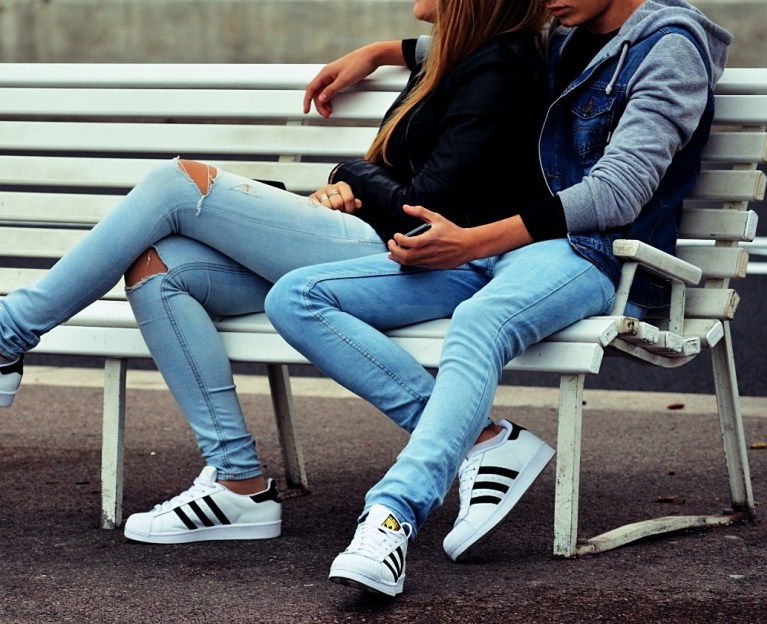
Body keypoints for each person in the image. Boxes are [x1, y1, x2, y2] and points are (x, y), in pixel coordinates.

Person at [0, 0, 551, 546]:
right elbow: (449, 55)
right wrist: (378, 52)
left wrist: (349, 176)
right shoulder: (465, 54)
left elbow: (424, 210)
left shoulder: (501, 67)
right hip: (364, 244)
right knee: (159, 269)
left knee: (176, 184)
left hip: (405, 259)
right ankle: (240, 486)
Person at [265, 0, 730, 598]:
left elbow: (619, 191)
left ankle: (391, 517)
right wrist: (381, 53)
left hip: (597, 258)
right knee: (298, 297)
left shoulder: (669, 48)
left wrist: (472, 242)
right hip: (501, 248)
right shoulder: (565, 32)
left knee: (478, 321)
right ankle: (487, 441)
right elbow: (479, 46)